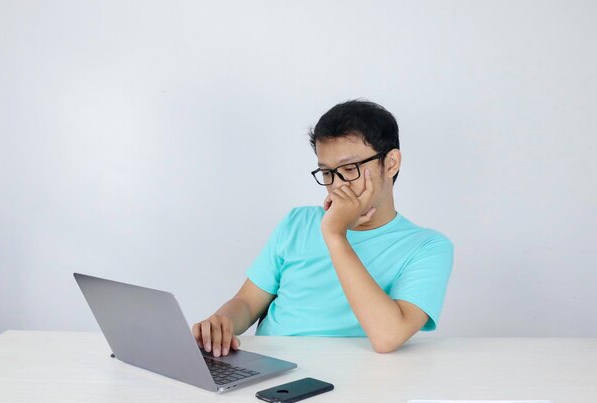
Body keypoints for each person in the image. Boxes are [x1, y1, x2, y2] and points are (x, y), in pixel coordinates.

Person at [192, 99, 454, 356]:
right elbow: (247, 303)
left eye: (350, 169)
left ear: (391, 163)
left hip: (356, 380)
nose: (338, 185)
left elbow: (388, 337)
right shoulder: (299, 222)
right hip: (273, 368)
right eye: (327, 172)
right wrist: (219, 324)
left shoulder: (427, 246)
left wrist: (335, 234)